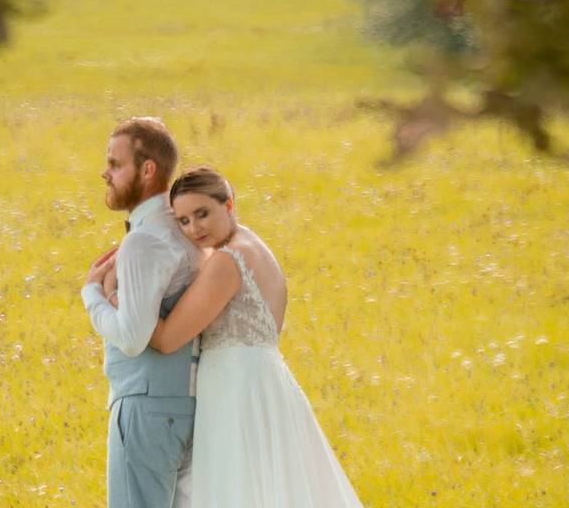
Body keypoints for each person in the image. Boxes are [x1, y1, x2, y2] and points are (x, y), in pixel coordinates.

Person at [89, 166, 364, 507]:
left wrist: (109, 296)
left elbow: (165, 339)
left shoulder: (226, 261)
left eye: (202, 214)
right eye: (184, 221)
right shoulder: (257, 246)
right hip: (267, 382)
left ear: (229, 204)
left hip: (234, 389)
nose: (194, 229)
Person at [80, 117, 201, 508]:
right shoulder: (185, 232)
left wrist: (92, 295)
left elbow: (133, 338)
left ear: (147, 170)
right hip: (187, 402)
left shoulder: (144, 241)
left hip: (145, 407)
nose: (105, 173)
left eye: (116, 164)